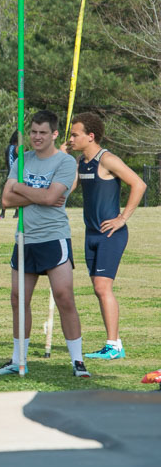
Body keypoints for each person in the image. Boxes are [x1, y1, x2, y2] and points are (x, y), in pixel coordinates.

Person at [0, 110, 86, 378]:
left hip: (54, 238)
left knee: (64, 297)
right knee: (19, 299)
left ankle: (78, 362)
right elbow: (7, 201)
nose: (37, 137)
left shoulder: (65, 163)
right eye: (33, 132)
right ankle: (18, 360)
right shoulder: (23, 159)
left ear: (54, 134)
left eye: (43, 132)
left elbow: (51, 198)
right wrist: (37, 194)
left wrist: (22, 189)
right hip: (25, 238)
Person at [68, 112, 147, 363]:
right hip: (91, 234)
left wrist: (123, 217)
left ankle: (114, 345)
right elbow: (67, 190)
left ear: (90, 136)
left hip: (110, 234)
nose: (71, 138)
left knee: (103, 287)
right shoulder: (81, 162)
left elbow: (139, 184)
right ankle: (112, 343)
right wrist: (62, 158)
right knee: (98, 289)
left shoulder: (107, 159)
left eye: (75, 135)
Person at [0, 131, 19, 219]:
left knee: (6, 193)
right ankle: (17, 213)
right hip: (16, 174)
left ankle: (2, 213)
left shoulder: (8, 148)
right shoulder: (16, 148)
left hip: (9, 174)